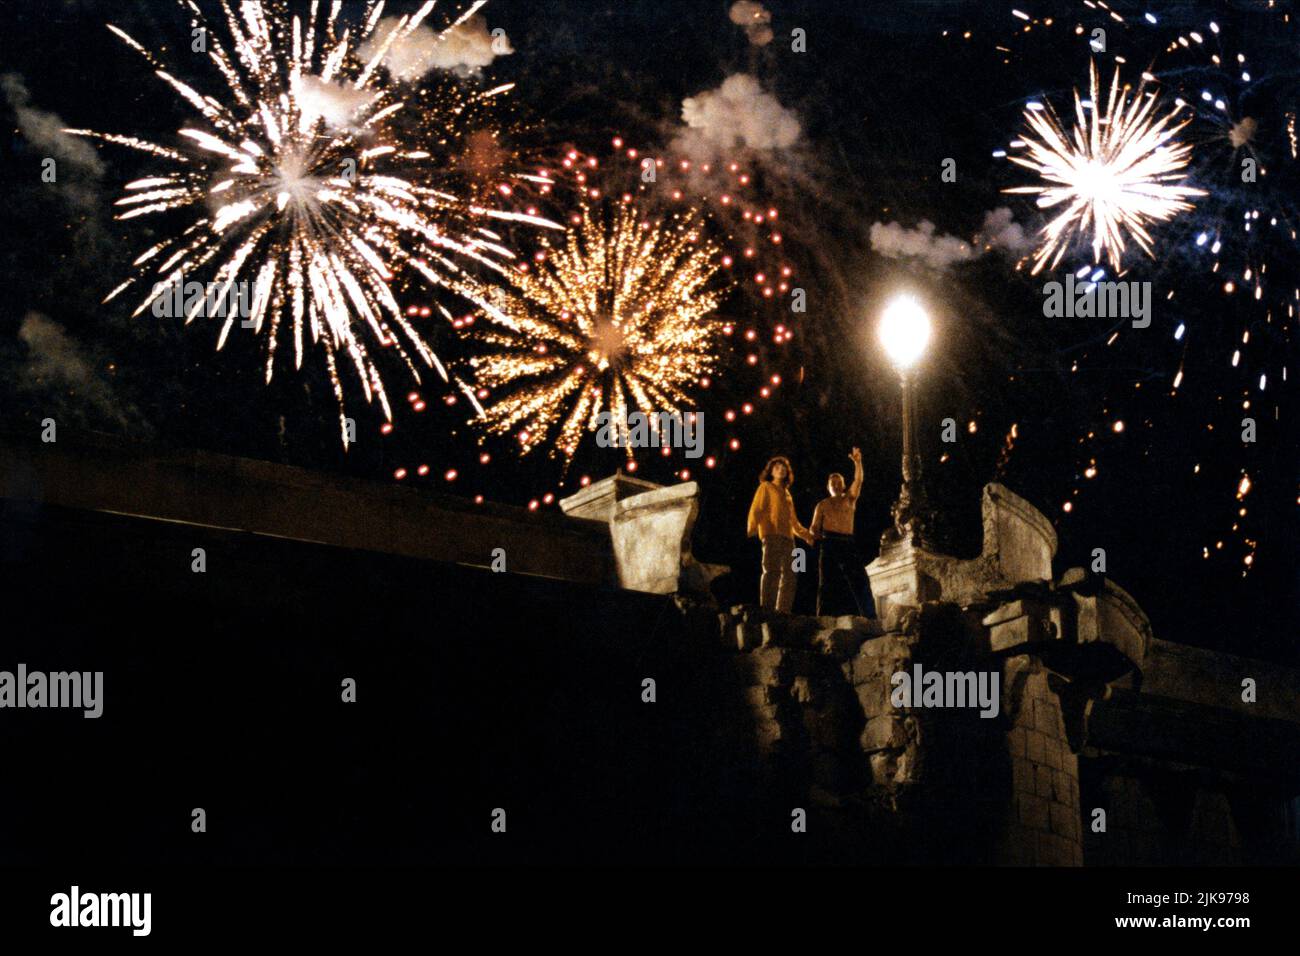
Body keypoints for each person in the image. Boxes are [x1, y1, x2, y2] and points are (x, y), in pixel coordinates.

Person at [810, 447, 875, 617]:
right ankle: (822, 618)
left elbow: (859, 480)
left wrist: (858, 462)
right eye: (833, 482)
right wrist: (814, 532)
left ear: (843, 485)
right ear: (828, 486)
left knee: (860, 580)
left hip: (847, 542)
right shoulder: (822, 505)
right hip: (829, 542)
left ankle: (870, 617)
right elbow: (814, 526)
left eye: (839, 482)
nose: (836, 484)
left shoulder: (850, 499)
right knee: (826, 583)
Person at [746, 456, 815, 613]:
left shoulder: (787, 494)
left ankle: (783, 611)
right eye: (777, 467)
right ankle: (767, 610)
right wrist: (751, 527)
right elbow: (756, 508)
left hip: (788, 539)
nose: (781, 469)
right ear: (771, 471)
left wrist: (807, 536)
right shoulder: (766, 487)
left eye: (783, 467)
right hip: (771, 534)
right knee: (771, 571)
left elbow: (794, 521)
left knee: (791, 575)